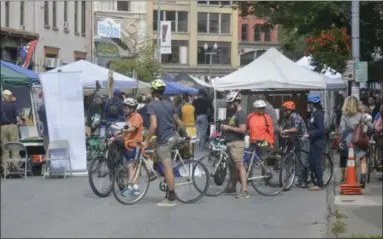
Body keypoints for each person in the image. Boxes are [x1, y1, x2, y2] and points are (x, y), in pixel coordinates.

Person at [145, 79, 185, 207]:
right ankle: (166, 177)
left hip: (166, 140)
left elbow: (153, 126)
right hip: (174, 136)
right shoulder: (169, 104)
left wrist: (146, 141)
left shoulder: (151, 106)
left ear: (152, 92)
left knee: (167, 167)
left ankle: (171, 196)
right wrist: (186, 135)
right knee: (156, 147)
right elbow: (178, 121)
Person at [339, 96, 371, 188]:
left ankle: (352, 178)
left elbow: (343, 129)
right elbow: (370, 125)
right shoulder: (361, 114)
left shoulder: (344, 116)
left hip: (349, 140)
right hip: (360, 138)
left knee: (351, 159)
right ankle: (363, 179)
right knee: (362, 158)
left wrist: (340, 140)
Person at [222, 92, 249, 199]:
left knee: (239, 166)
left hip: (237, 143)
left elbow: (243, 130)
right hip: (231, 142)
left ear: (235, 102)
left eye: (229, 103)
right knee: (232, 166)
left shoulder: (241, 113)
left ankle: (244, 190)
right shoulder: (235, 113)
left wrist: (228, 128)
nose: (228, 106)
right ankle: (233, 186)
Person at [116, 98, 144, 197]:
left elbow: (132, 129)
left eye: (127, 108)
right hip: (128, 144)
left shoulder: (137, 116)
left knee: (132, 167)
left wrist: (123, 131)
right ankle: (135, 188)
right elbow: (126, 129)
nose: (125, 110)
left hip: (135, 145)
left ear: (132, 108)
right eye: (124, 108)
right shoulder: (128, 117)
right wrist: (116, 135)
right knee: (131, 167)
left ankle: (132, 188)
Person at [280, 101, 310, 188]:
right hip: (295, 142)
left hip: (303, 141)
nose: (284, 112)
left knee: (303, 161)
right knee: (297, 161)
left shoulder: (295, 116)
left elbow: (295, 129)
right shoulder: (286, 118)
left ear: (290, 110)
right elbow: (282, 126)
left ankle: (304, 181)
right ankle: (299, 180)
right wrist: (281, 129)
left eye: (285, 110)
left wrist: (285, 131)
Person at [306, 95, 325, 191]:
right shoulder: (314, 114)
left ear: (313, 104)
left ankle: (320, 183)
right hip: (313, 141)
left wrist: (311, 134)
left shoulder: (319, 114)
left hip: (318, 142)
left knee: (317, 163)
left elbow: (321, 129)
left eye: (309, 104)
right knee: (312, 163)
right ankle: (316, 181)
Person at [1, 90, 22, 172]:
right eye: (8, 96)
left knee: (5, 148)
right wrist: (19, 121)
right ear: (4, 96)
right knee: (15, 147)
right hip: (12, 127)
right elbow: (17, 118)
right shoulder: (13, 105)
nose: (10, 97)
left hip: (2, 128)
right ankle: (15, 167)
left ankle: (6, 168)